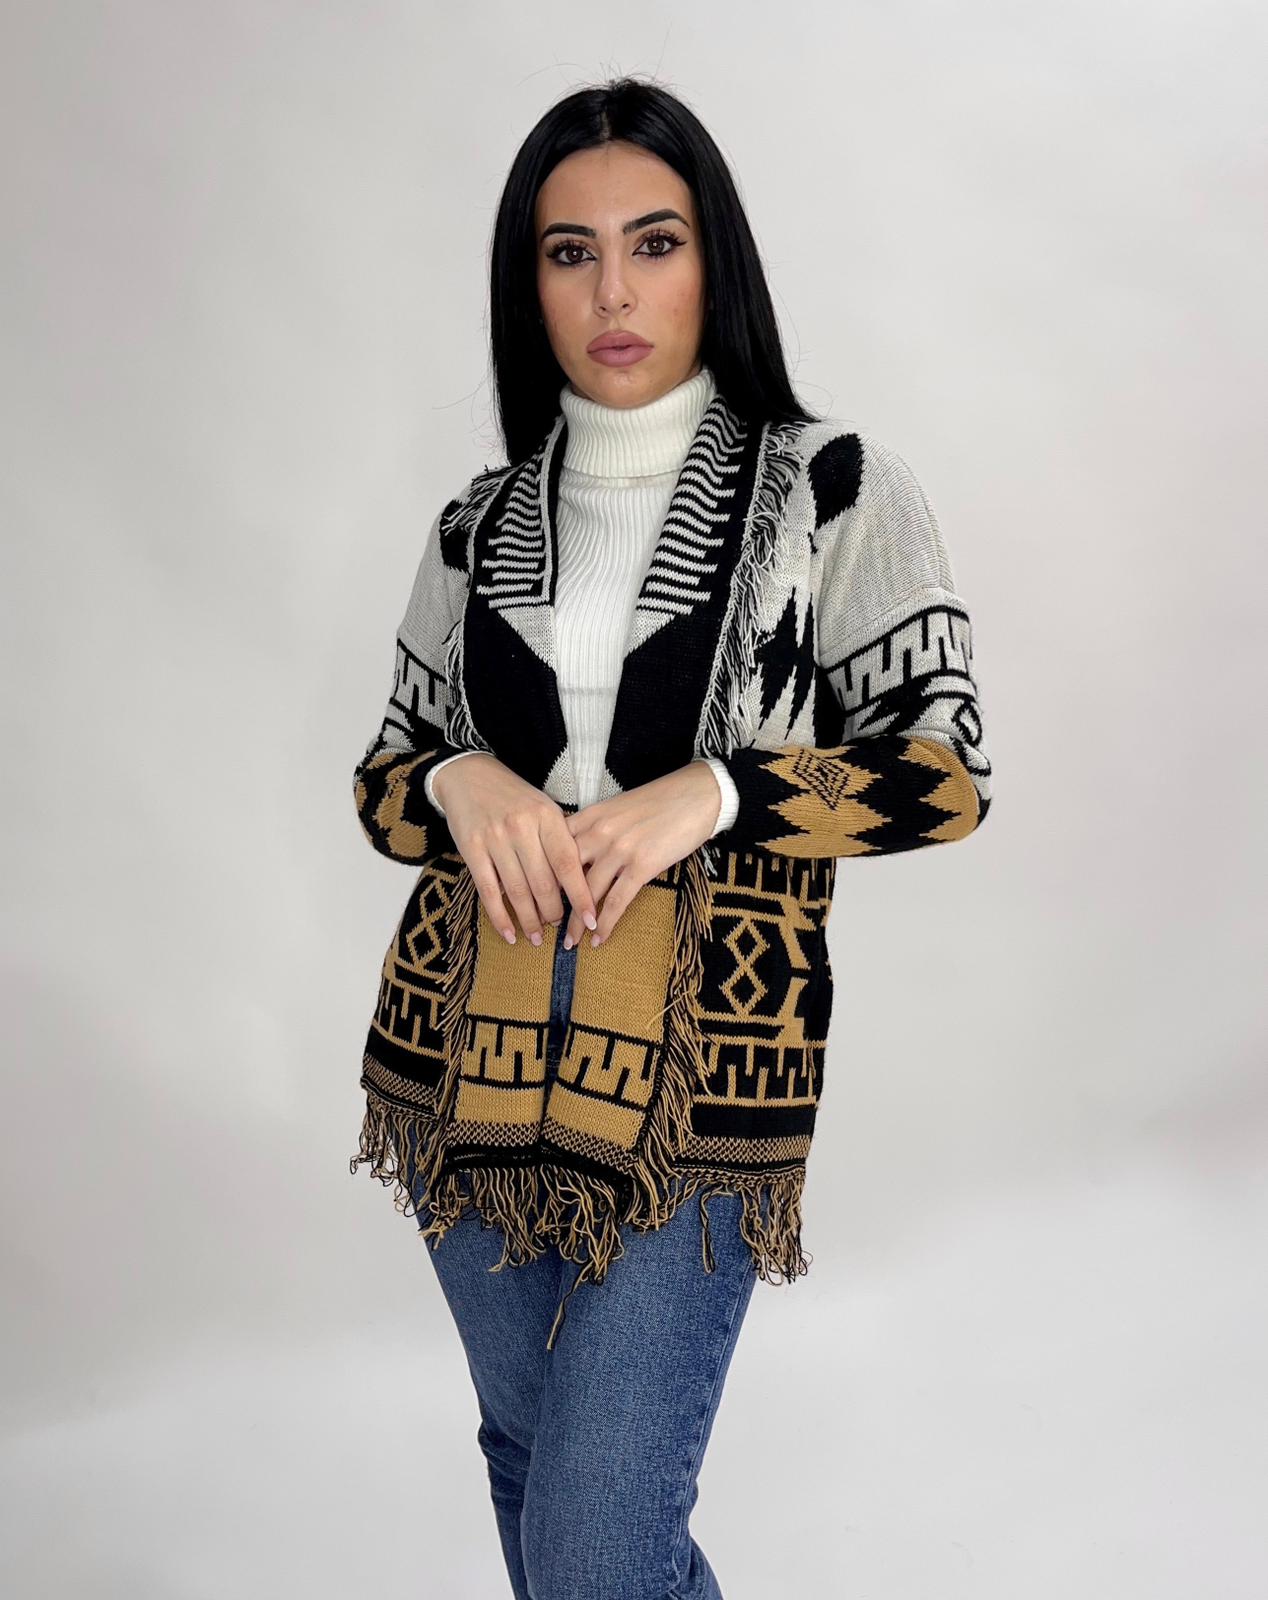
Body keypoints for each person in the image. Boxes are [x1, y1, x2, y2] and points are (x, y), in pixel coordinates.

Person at [349, 75, 993, 1600]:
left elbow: (946, 770)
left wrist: (719, 793)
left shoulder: (831, 490)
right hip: (462, 1068)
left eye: (655, 242)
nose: (614, 293)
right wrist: (461, 782)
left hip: (702, 1080)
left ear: (718, 261)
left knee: (593, 1541)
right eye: (569, 253)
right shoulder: (476, 524)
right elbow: (386, 776)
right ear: (528, 283)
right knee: (534, 1473)